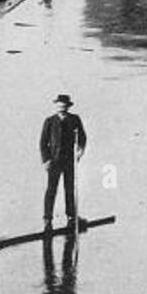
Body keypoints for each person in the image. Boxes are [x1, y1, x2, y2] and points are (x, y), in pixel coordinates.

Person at [40, 94, 87, 231]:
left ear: (68, 106)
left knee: (69, 189)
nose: (61, 107)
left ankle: (71, 217)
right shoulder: (49, 121)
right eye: (59, 105)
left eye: (64, 105)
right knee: (51, 190)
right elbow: (43, 143)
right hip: (54, 161)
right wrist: (46, 160)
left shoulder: (74, 119)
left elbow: (82, 137)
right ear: (56, 106)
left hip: (69, 160)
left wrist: (80, 150)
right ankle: (47, 219)